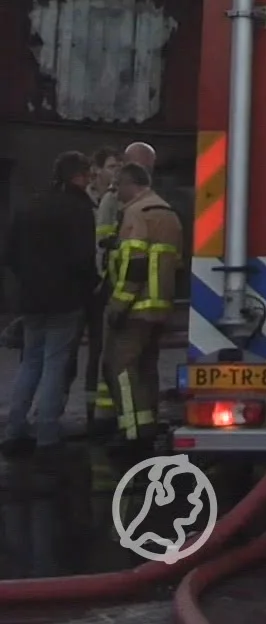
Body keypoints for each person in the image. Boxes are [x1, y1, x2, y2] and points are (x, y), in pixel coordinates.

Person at [1, 152, 99, 460]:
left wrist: (28, 284)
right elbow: (83, 259)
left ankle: (15, 429)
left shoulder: (31, 204)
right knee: (55, 363)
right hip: (65, 300)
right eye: (88, 176)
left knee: (30, 361)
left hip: (31, 300)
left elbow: (11, 254)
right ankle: (46, 433)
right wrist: (88, 289)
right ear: (78, 177)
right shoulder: (79, 208)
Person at [100, 161, 183, 453]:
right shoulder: (167, 212)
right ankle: (147, 422)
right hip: (159, 307)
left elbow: (135, 264)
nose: (113, 192)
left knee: (120, 367)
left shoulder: (137, 212)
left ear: (130, 184)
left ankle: (133, 433)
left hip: (135, 307)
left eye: (116, 186)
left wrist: (118, 304)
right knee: (146, 366)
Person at [65, 147, 121, 430]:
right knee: (69, 350)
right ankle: (61, 409)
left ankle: (92, 412)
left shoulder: (115, 200)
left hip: (103, 287)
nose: (115, 172)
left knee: (100, 350)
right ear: (97, 170)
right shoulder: (81, 201)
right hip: (80, 285)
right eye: (111, 166)